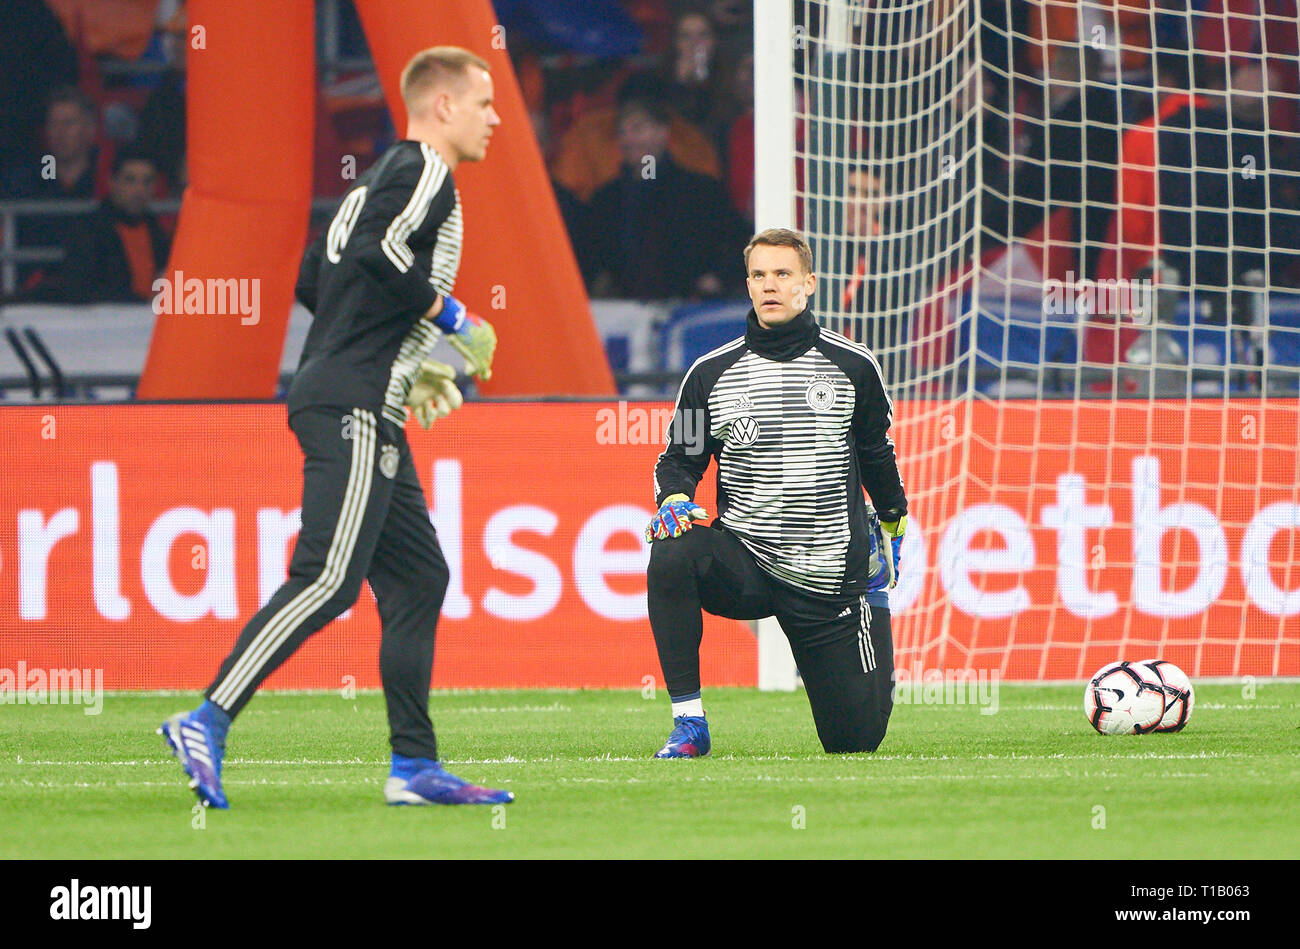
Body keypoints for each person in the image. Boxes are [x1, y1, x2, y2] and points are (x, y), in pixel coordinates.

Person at [159, 46, 510, 809]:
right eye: (484, 103)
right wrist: (452, 318)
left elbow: (320, 278)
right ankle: (206, 717)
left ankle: (413, 767)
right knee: (327, 576)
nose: (496, 118)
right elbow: (378, 253)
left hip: (360, 390)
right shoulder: (425, 170)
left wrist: (404, 364)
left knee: (420, 577)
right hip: (351, 402)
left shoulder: (378, 179)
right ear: (443, 106)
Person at [644, 227, 908, 757]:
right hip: (747, 561)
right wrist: (673, 497)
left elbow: (877, 455)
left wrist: (893, 521)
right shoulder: (709, 375)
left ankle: (869, 611)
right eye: (760, 275)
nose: (771, 285)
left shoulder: (853, 366)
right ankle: (689, 723)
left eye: (783, 274)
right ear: (748, 285)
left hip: (828, 574)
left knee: (855, 740)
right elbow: (680, 458)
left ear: (808, 284)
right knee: (672, 550)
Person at [583, 95, 743, 298]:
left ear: (663, 132)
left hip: (689, 310)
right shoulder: (606, 199)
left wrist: (718, 278)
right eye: (622, 132)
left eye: (638, 129)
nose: (628, 139)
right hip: (624, 313)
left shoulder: (700, 191)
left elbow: (736, 242)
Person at [20, 147, 169, 303]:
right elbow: (81, 289)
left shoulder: (157, 231)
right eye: (130, 180)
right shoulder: (88, 230)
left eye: (147, 181)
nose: (139, 190)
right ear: (112, 182)